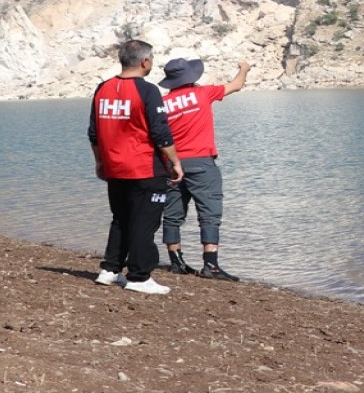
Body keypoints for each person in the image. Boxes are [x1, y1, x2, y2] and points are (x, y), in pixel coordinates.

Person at [89, 40, 184, 295]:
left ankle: (110, 270)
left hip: (114, 167)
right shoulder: (148, 91)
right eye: (151, 59)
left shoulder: (102, 89)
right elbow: (160, 132)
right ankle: (140, 276)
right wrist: (175, 162)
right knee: (144, 222)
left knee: (121, 218)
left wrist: (100, 162)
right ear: (145, 62)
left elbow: (94, 133)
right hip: (144, 167)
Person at [158, 57, 250, 281]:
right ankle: (211, 264)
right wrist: (244, 69)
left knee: (172, 215)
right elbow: (236, 85)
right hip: (201, 162)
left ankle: (176, 262)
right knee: (209, 213)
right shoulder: (203, 94)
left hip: (172, 164)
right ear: (191, 78)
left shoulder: (162, 103)